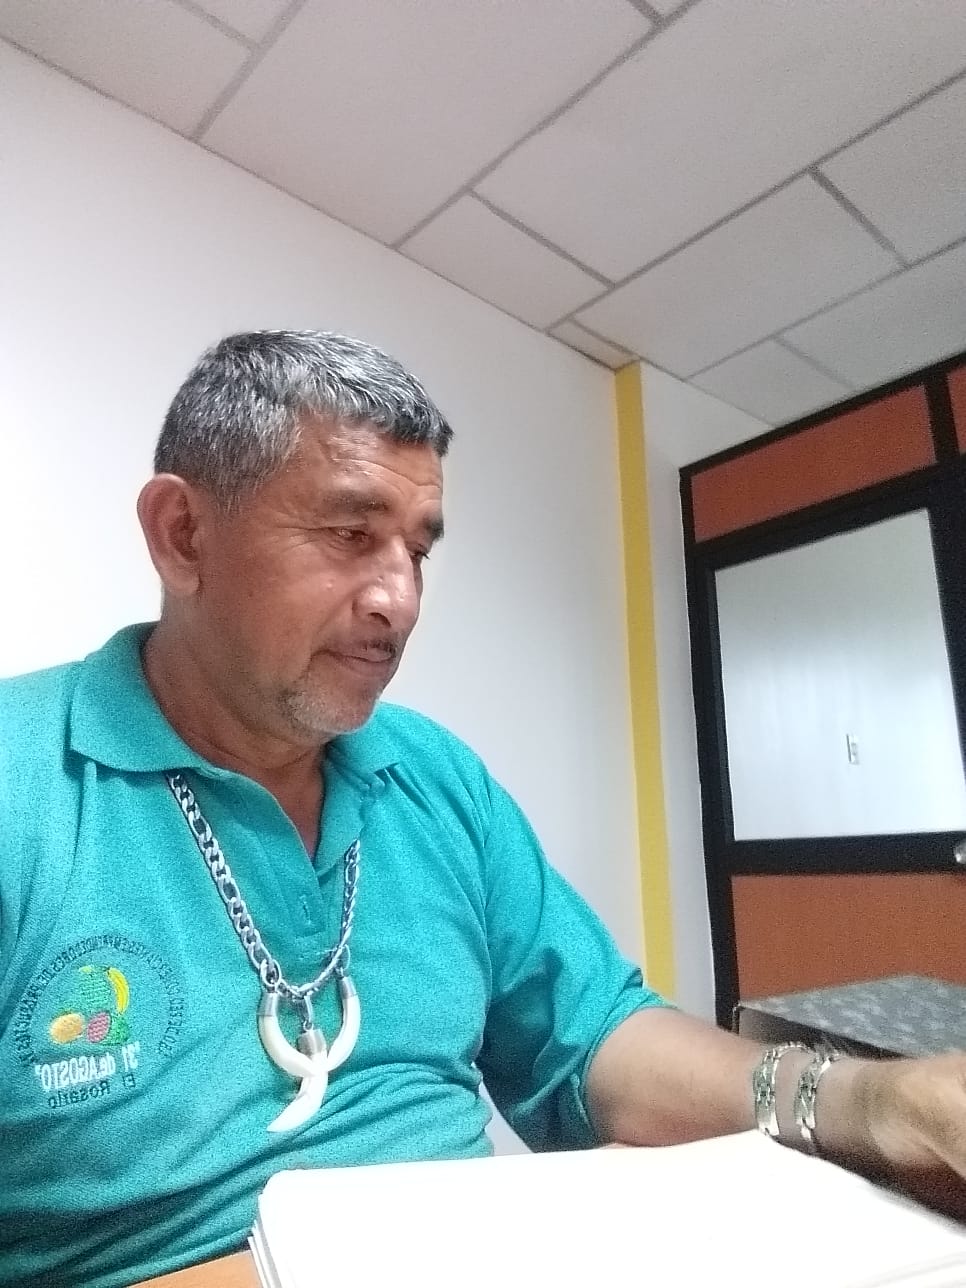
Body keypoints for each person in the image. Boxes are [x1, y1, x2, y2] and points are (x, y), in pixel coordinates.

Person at [1, 330, 964, 1288]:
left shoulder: (435, 777)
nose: (401, 599)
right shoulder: (24, 783)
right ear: (184, 535)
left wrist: (868, 1103)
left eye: (417, 551)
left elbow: (593, 1035)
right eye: (350, 535)